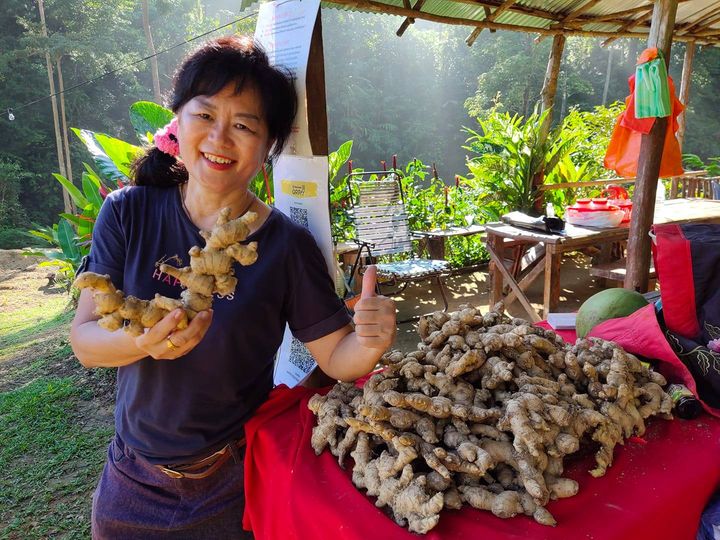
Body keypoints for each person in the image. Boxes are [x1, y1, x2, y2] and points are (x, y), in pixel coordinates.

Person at [70, 35, 397, 539]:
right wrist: (141, 343)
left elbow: (336, 357)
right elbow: (86, 342)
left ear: (268, 146)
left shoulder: (287, 246)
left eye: (244, 125)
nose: (220, 138)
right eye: (205, 115)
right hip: (132, 480)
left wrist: (370, 342)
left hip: (236, 483)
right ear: (177, 121)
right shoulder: (128, 212)